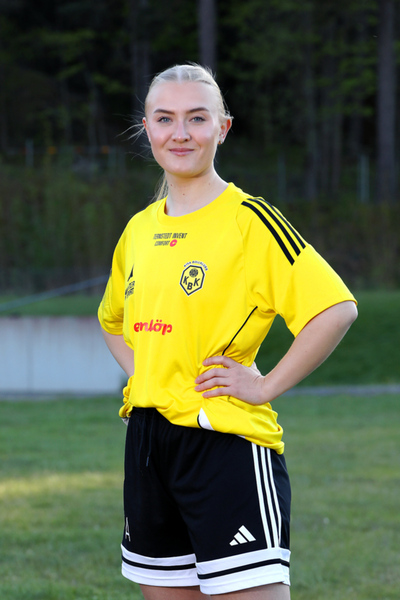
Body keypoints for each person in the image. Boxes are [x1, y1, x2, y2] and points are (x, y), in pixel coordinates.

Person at [98, 63, 357, 600]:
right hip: (147, 442)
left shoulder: (250, 221)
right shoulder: (139, 229)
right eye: (165, 119)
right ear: (146, 129)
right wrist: (151, 375)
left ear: (223, 128)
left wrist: (263, 386)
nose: (180, 133)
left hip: (223, 444)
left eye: (197, 118)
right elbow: (113, 322)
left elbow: (334, 309)